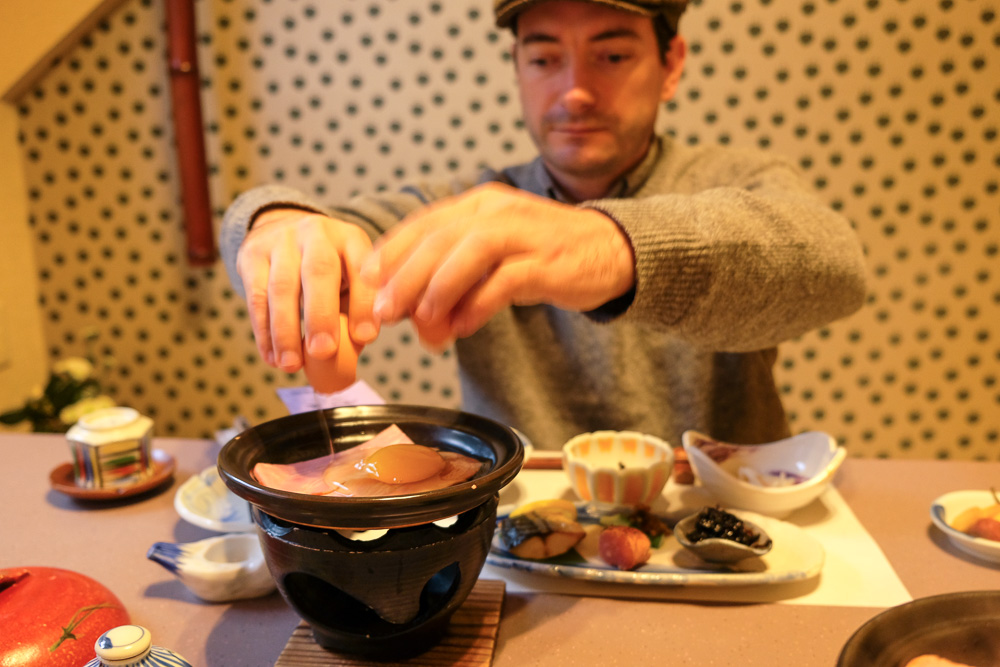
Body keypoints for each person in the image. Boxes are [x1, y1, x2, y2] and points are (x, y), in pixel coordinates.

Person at [220, 0, 867, 450]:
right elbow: (345, 228)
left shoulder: (731, 179)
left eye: (611, 56)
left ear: (671, 65)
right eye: (543, 58)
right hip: (517, 546)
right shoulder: (475, 202)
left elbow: (835, 264)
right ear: (517, 68)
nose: (574, 91)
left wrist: (609, 247)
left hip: (723, 539)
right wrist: (277, 221)